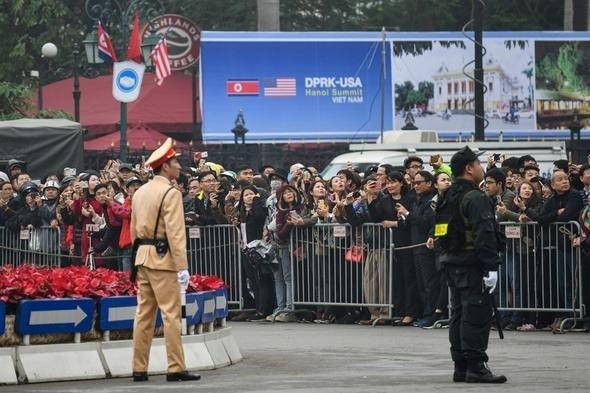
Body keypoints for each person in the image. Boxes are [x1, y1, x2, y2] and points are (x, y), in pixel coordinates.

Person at [434, 146, 507, 383]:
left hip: (452, 263)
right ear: (468, 168)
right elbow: (484, 235)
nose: (480, 168)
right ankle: (476, 367)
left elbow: (440, 232)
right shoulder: (476, 197)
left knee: (459, 314)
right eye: (477, 164)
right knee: (475, 313)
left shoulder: (447, 197)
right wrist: (492, 267)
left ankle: (461, 366)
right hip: (472, 264)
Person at [130, 138, 200, 382]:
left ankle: (139, 368)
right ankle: (176, 367)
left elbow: (133, 231)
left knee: (143, 315)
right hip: (163, 259)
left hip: (142, 257)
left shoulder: (139, 191)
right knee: (171, 315)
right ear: (165, 166)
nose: (179, 166)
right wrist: (182, 266)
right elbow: (176, 233)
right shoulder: (170, 193)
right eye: (175, 161)